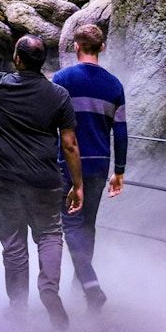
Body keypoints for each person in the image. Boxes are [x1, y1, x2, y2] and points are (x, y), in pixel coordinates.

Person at [0, 30, 83, 330]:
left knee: (13, 244)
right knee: (50, 234)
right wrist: (78, 184)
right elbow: (70, 145)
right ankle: (49, 289)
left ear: (17, 59)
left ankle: (17, 308)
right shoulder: (58, 95)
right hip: (45, 180)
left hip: (6, 180)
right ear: (42, 61)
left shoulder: (0, 85)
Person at [52, 23, 127, 313]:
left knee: (70, 224)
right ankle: (80, 286)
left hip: (67, 165)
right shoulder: (114, 85)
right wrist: (119, 171)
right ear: (102, 48)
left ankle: (91, 286)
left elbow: (51, 126)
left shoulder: (62, 79)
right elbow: (120, 131)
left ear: (76, 46)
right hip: (99, 164)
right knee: (87, 226)